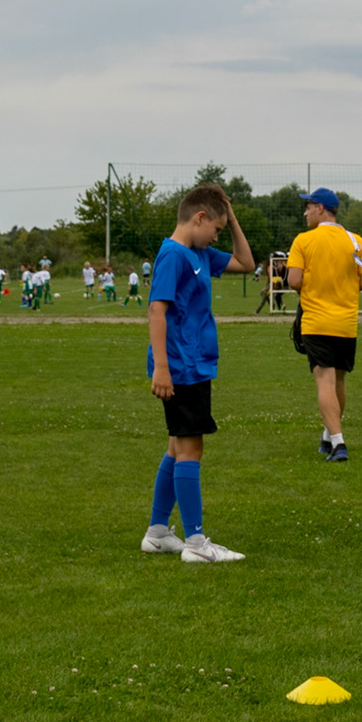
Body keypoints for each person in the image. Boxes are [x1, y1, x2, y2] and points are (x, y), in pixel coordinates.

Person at [140, 184, 255, 563]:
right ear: (199, 218)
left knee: (177, 445)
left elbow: (246, 263)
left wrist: (232, 216)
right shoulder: (173, 255)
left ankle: (157, 532)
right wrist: (161, 367)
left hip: (196, 363)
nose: (217, 236)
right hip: (180, 367)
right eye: (217, 229)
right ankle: (196, 543)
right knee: (191, 448)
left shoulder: (201, 253)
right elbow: (157, 310)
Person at [286, 187, 362, 462]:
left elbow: (294, 281)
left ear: (321, 208)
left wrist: (317, 289)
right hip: (346, 323)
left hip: (316, 322)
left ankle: (338, 443)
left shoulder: (303, 241)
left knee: (324, 380)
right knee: (338, 382)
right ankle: (328, 435)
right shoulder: (355, 240)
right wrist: (343, 288)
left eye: (309, 207)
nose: (305, 212)